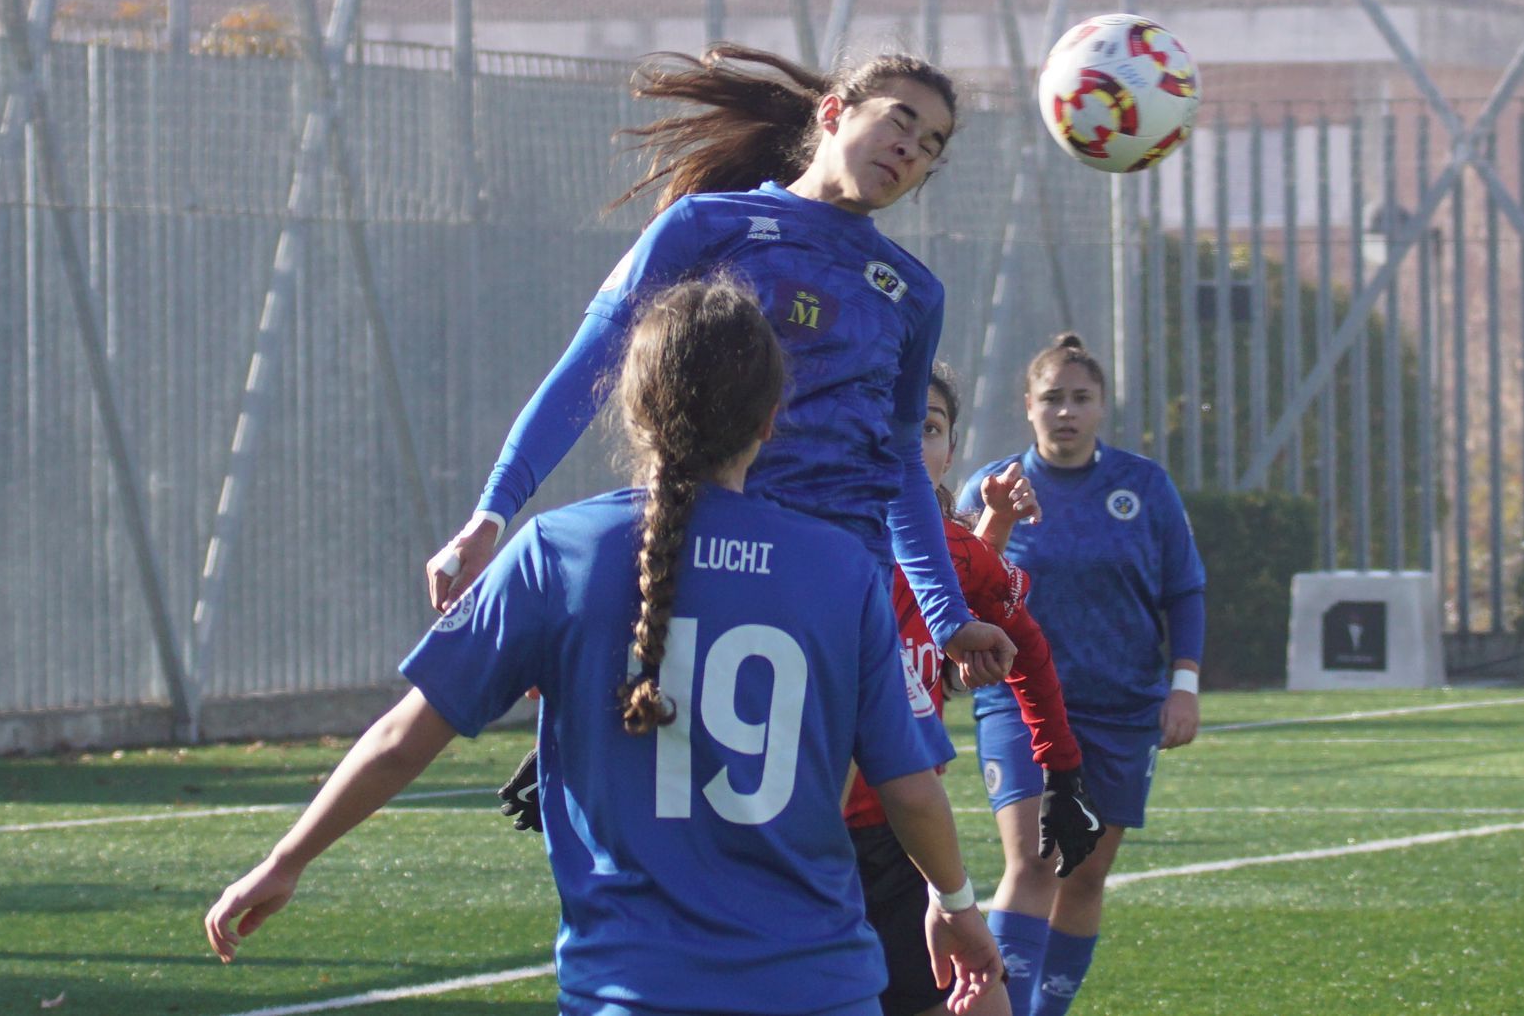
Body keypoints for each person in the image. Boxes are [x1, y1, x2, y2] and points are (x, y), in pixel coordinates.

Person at [205, 280, 1008, 1016]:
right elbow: (908, 787)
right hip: (815, 988)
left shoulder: (560, 553)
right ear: (771, 423)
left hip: (631, 992)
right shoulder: (838, 568)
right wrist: (959, 905)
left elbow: (401, 738)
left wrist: (286, 858)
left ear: (632, 409)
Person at [426, 45, 1015, 692]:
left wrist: (947, 618)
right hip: (708, 558)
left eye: (931, 144)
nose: (911, 149)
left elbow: (900, 461)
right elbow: (586, 369)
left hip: (845, 583)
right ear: (831, 113)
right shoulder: (704, 227)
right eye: (899, 121)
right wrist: (492, 513)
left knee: (889, 794)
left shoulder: (911, 292)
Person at [844, 361, 1104, 1016]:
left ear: (950, 449)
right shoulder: (804, 543)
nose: (906, 446)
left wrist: (1063, 775)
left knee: (987, 1007)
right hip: (797, 839)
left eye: (928, 429)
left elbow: (1027, 652)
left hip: (904, 839)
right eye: (886, 426)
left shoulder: (958, 554)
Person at [958, 333, 1205, 1016]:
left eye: (1080, 398)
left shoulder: (1143, 487)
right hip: (1021, 705)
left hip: (1122, 706)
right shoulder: (994, 487)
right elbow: (956, 586)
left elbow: (1184, 591)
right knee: (1034, 861)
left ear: (1101, 407)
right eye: (1052, 399)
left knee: (1086, 873)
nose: (1065, 412)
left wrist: (1183, 686)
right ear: (1027, 408)